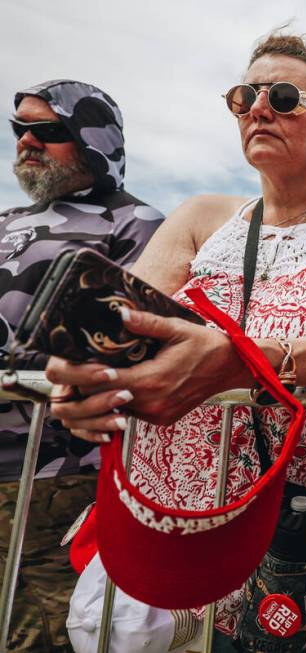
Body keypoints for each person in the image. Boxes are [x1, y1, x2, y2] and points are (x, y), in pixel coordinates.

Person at [45, 33, 306, 652]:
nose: (257, 109)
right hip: (185, 520)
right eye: (243, 96)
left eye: (281, 96)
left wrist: (244, 361)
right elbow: (114, 328)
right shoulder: (200, 216)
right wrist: (79, 371)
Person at [0, 79, 163, 652]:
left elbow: (128, 343)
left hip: (59, 478)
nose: (26, 141)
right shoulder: (3, 220)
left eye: (48, 130)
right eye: (19, 127)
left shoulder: (134, 223)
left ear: (95, 140)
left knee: (47, 638)